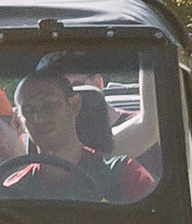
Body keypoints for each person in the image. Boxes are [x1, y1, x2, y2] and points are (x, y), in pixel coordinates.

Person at [15, 70, 155, 201]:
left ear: (74, 105)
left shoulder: (125, 176)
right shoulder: (13, 190)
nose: (40, 118)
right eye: (28, 110)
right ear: (20, 121)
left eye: (50, 105)